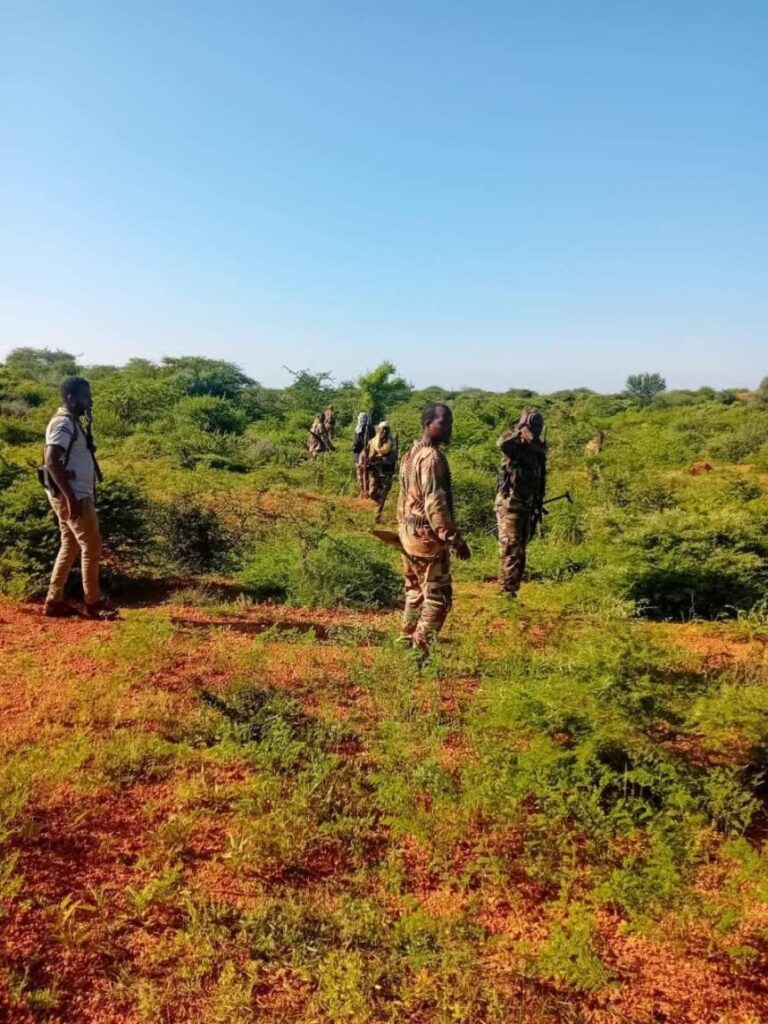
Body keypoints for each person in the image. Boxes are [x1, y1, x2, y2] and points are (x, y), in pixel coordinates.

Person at [42, 377, 117, 620]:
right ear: (72, 399)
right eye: (86, 397)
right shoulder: (63, 423)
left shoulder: (71, 422)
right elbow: (51, 461)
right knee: (91, 547)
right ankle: (93, 603)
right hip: (74, 495)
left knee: (70, 545)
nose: (90, 401)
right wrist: (71, 499)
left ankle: (54, 601)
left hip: (73, 494)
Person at [397, 403, 470, 652]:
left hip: (408, 533)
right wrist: (453, 538)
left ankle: (406, 639)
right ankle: (420, 651)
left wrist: (403, 530)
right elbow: (435, 503)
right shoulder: (431, 457)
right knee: (438, 597)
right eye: (443, 423)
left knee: (415, 591)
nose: (449, 428)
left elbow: (402, 498)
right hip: (425, 537)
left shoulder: (411, 453)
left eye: (450, 423)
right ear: (428, 425)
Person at [495, 407, 547, 597]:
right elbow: (502, 444)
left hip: (527, 505)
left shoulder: (537, 447)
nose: (537, 429)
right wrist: (520, 428)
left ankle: (510, 589)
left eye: (539, 425)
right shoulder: (515, 444)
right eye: (534, 425)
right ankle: (507, 593)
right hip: (511, 505)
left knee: (519, 549)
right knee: (511, 548)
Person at [367, 421, 397, 521]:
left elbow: (393, 458)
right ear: (379, 430)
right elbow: (368, 455)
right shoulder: (373, 442)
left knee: (383, 495)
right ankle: (378, 503)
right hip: (375, 471)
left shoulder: (392, 443)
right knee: (371, 492)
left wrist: (380, 459)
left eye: (386, 429)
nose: (384, 431)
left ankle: (377, 516)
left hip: (386, 472)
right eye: (383, 429)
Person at [353, 412, 373, 496]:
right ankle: (368, 491)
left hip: (359, 455)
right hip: (370, 454)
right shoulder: (371, 429)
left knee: (360, 474)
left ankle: (362, 492)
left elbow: (356, 443)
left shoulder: (358, 429)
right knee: (369, 474)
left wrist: (353, 448)